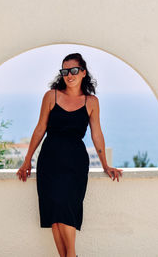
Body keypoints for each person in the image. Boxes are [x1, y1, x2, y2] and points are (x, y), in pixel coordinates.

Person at [16, 53, 123, 257]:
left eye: (74, 70)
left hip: (74, 163)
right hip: (49, 160)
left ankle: (71, 255)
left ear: (83, 72)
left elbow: (97, 134)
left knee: (67, 211)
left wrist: (105, 165)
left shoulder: (91, 102)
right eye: (65, 71)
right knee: (54, 215)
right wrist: (27, 159)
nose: (69, 75)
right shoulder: (51, 96)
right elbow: (40, 129)